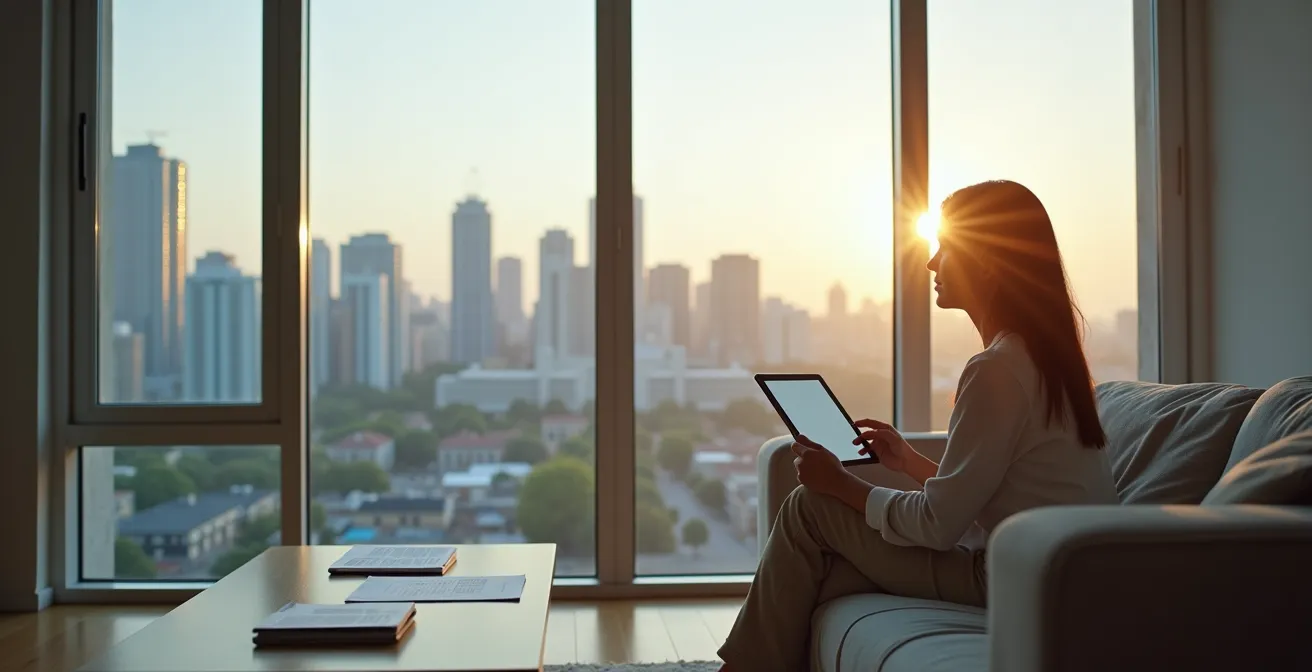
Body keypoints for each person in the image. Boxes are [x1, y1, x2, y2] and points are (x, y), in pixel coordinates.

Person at [717, 180, 1121, 671]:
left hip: (1011, 578)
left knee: (809, 508)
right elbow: (990, 495)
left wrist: (840, 484)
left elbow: (937, 524)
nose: (931, 263)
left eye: (946, 248)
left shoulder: (996, 369)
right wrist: (908, 462)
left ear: (988, 264)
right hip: (1049, 575)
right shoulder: (1044, 361)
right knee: (828, 574)